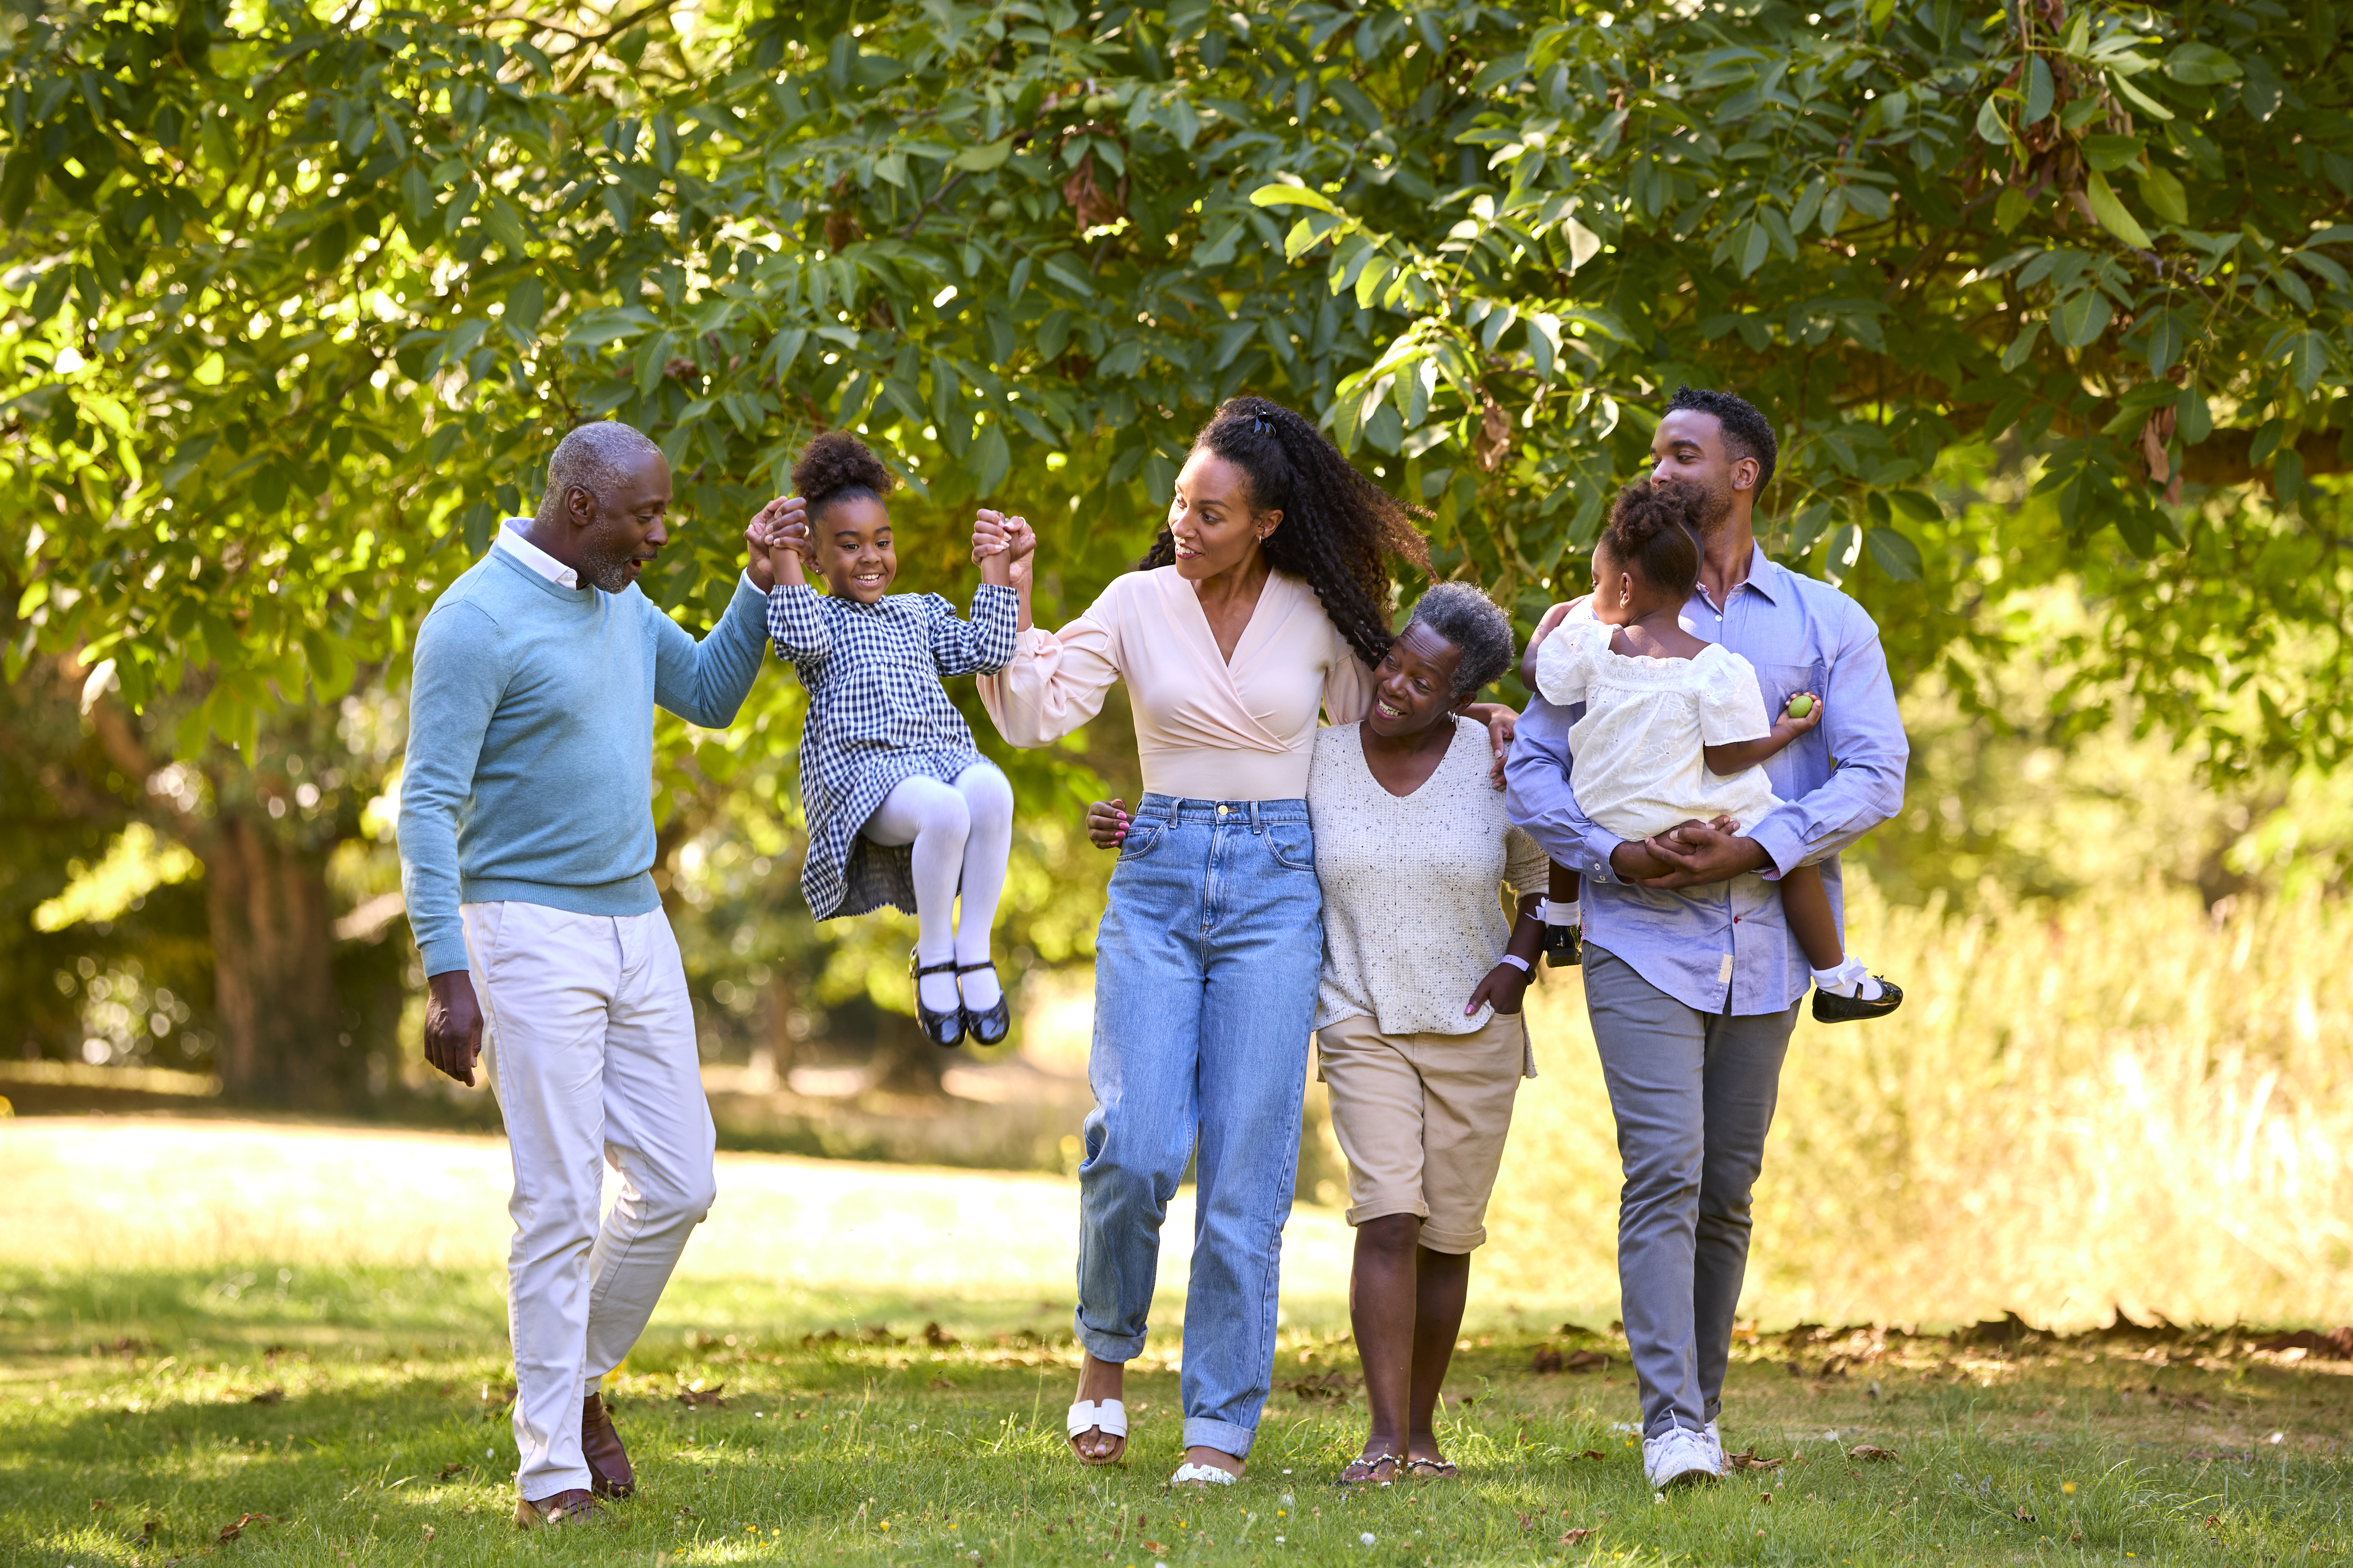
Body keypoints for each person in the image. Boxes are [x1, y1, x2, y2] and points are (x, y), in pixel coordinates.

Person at [978, 395, 1507, 1489]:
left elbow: (1395, 718)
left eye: (1211, 513)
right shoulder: (1135, 601)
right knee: (1135, 1142)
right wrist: (1008, 592)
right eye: (1181, 503)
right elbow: (1032, 711)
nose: (1186, 524)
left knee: (1245, 1174)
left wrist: (1492, 724)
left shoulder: (1317, 614)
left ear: (1267, 522)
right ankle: (1106, 1358)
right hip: (1161, 875)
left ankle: (1217, 1427)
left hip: (1276, 888)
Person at [1504, 386, 1908, 1491]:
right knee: (1666, 1173)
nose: (1663, 467)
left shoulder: (1827, 624)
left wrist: (1763, 847)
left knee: (1728, 1185)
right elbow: (1533, 766)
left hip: (1770, 947)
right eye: (1655, 454)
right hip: (1640, 936)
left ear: (1744, 474)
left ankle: (1705, 1409)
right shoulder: (1599, 623)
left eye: (1684, 452)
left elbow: (1878, 773)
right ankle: (1671, 1423)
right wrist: (1610, 854)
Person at [398, 421, 788, 1528]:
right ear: (581, 509)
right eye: (645, 517)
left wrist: (756, 588)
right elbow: (427, 805)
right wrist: (449, 971)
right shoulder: (474, 621)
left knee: (679, 1182)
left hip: (636, 922)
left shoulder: (614, 597)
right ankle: (549, 1475)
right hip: (524, 935)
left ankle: (573, 1387)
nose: (660, 536)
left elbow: (710, 693)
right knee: (561, 1198)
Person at [1088, 583, 1545, 1485]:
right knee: (1388, 1215)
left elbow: (1542, 878)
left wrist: (1516, 967)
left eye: (1427, 681)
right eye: (1396, 661)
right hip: (1358, 1013)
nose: (1398, 685)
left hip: (1471, 1021)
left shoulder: (1497, 763)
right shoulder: (1318, 755)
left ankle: (1422, 1436)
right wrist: (1147, 832)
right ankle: (1381, 1438)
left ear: (1462, 698)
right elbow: (1227, 808)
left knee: (1447, 1235)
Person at [1530, 482, 1901, 1020]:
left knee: (1563, 789)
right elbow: (1728, 758)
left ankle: (1561, 916)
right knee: (1785, 843)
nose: (1592, 596)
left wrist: (1552, 625)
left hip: (1608, 822)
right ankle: (1836, 976)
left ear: (1626, 587)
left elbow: (1539, 680)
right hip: (1690, 822)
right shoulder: (1717, 667)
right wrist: (1785, 732)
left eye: (1596, 583)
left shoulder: (1589, 644)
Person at [753, 431, 1021, 1047]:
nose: (870, 557)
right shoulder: (816, 618)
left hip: (938, 757)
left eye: (881, 540)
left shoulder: (918, 611)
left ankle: (972, 947)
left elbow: (987, 647)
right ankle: (933, 952)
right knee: (946, 809)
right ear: (818, 560)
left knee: (991, 789)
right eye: (847, 546)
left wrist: (996, 567)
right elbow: (799, 636)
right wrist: (785, 555)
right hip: (864, 776)